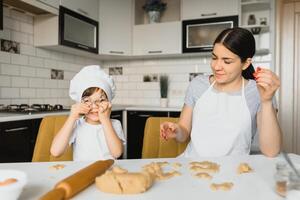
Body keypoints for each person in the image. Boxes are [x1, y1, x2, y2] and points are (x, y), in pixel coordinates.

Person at [160, 27, 282, 158]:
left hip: (235, 170)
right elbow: (183, 133)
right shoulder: (197, 85)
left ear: (246, 63)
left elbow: (271, 151)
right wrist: (176, 131)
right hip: (192, 165)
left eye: (227, 61)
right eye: (214, 58)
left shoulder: (258, 92)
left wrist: (267, 101)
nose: (216, 66)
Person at [50, 65, 125, 161]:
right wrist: (72, 117)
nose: (94, 106)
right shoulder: (76, 124)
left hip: (108, 173)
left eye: (101, 100)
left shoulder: (115, 124)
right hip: (83, 173)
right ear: (79, 103)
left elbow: (117, 153)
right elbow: (55, 152)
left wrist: (105, 120)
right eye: (87, 100)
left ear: (109, 103)